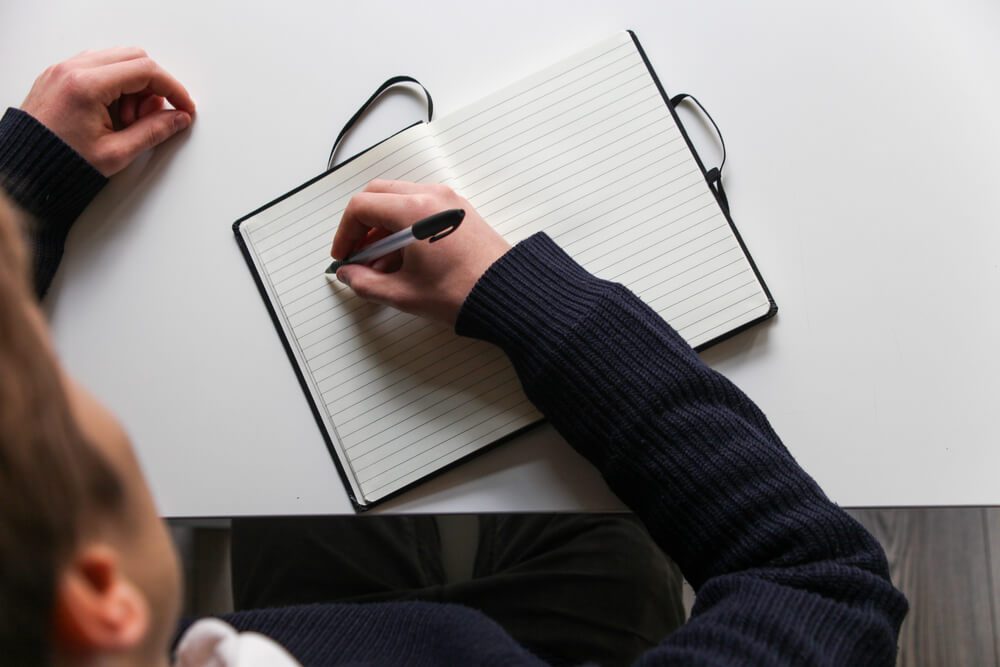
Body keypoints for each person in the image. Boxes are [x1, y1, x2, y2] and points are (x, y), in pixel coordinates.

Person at [0, 48, 908, 666]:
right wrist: (521, 296)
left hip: (312, 627)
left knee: (305, 520)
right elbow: (818, 581)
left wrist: (22, 186)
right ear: (95, 592)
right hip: (565, 641)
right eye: (73, 418)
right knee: (591, 528)